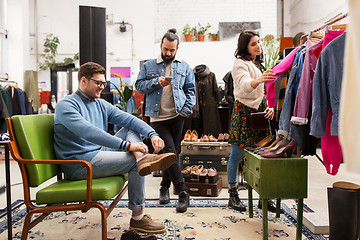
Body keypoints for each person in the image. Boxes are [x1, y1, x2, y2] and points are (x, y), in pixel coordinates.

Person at [54, 62, 178, 234]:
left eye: (103, 83)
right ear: (83, 81)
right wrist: (128, 145)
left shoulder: (99, 103)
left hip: (98, 154)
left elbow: (128, 119)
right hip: (80, 164)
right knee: (135, 164)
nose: (101, 87)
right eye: (98, 83)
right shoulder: (66, 106)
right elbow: (90, 133)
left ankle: (141, 159)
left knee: (129, 127)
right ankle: (138, 219)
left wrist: (152, 134)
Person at [135, 29, 196, 213]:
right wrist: (156, 83)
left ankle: (164, 187)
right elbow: (138, 86)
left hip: (177, 116)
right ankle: (183, 192)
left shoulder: (184, 66)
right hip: (157, 118)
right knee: (169, 150)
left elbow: (191, 91)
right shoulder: (148, 66)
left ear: (177, 48)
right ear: (161, 46)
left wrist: (186, 110)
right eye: (165, 49)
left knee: (173, 153)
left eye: (172, 50)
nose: (168, 53)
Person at [227, 30, 276, 212]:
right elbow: (245, 86)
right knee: (237, 155)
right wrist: (260, 79)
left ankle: (264, 197)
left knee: (263, 154)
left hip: (261, 113)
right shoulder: (240, 64)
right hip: (244, 113)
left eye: (258, 42)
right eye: (253, 44)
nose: (258, 46)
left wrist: (270, 106)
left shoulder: (258, 63)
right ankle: (233, 194)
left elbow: (266, 90)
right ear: (245, 46)